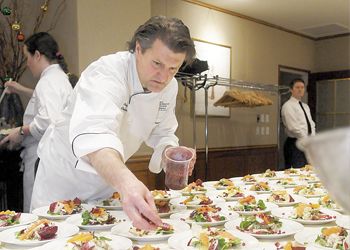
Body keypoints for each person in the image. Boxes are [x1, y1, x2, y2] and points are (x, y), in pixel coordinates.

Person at [31, 16, 196, 229]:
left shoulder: (169, 87)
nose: (164, 77)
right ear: (138, 49)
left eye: (173, 69)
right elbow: (95, 135)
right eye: (157, 64)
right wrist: (128, 184)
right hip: (64, 180)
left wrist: (168, 151)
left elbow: (162, 131)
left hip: (107, 181)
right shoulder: (107, 72)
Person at [0, 32, 77, 212]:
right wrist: (20, 89)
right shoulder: (58, 78)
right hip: (58, 159)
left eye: (28, 57)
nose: (27, 63)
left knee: (37, 213)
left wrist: (20, 131)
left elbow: (48, 121)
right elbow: (46, 103)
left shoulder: (48, 82)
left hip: (41, 159)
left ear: (37, 55)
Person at [281, 78, 315, 168]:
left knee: (308, 171)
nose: (300, 89)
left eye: (302, 87)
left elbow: (311, 124)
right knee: (296, 172)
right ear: (291, 90)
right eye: (297, 87)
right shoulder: (288, 106)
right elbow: (293, 127)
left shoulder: (305, 106)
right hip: (295, 143)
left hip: (307, 142)